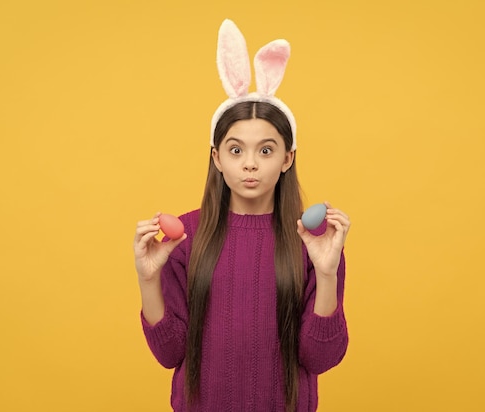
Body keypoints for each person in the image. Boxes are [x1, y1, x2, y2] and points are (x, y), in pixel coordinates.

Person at [133, 19, 350, 412]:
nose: (250, 164)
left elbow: (321, 359)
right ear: (216, 157)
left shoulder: (313, 241)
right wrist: (148, 280)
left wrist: (327, 272)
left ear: (287, 158)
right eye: (236, 150)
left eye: (265, 150)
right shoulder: (186, 237)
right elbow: (169, 354)